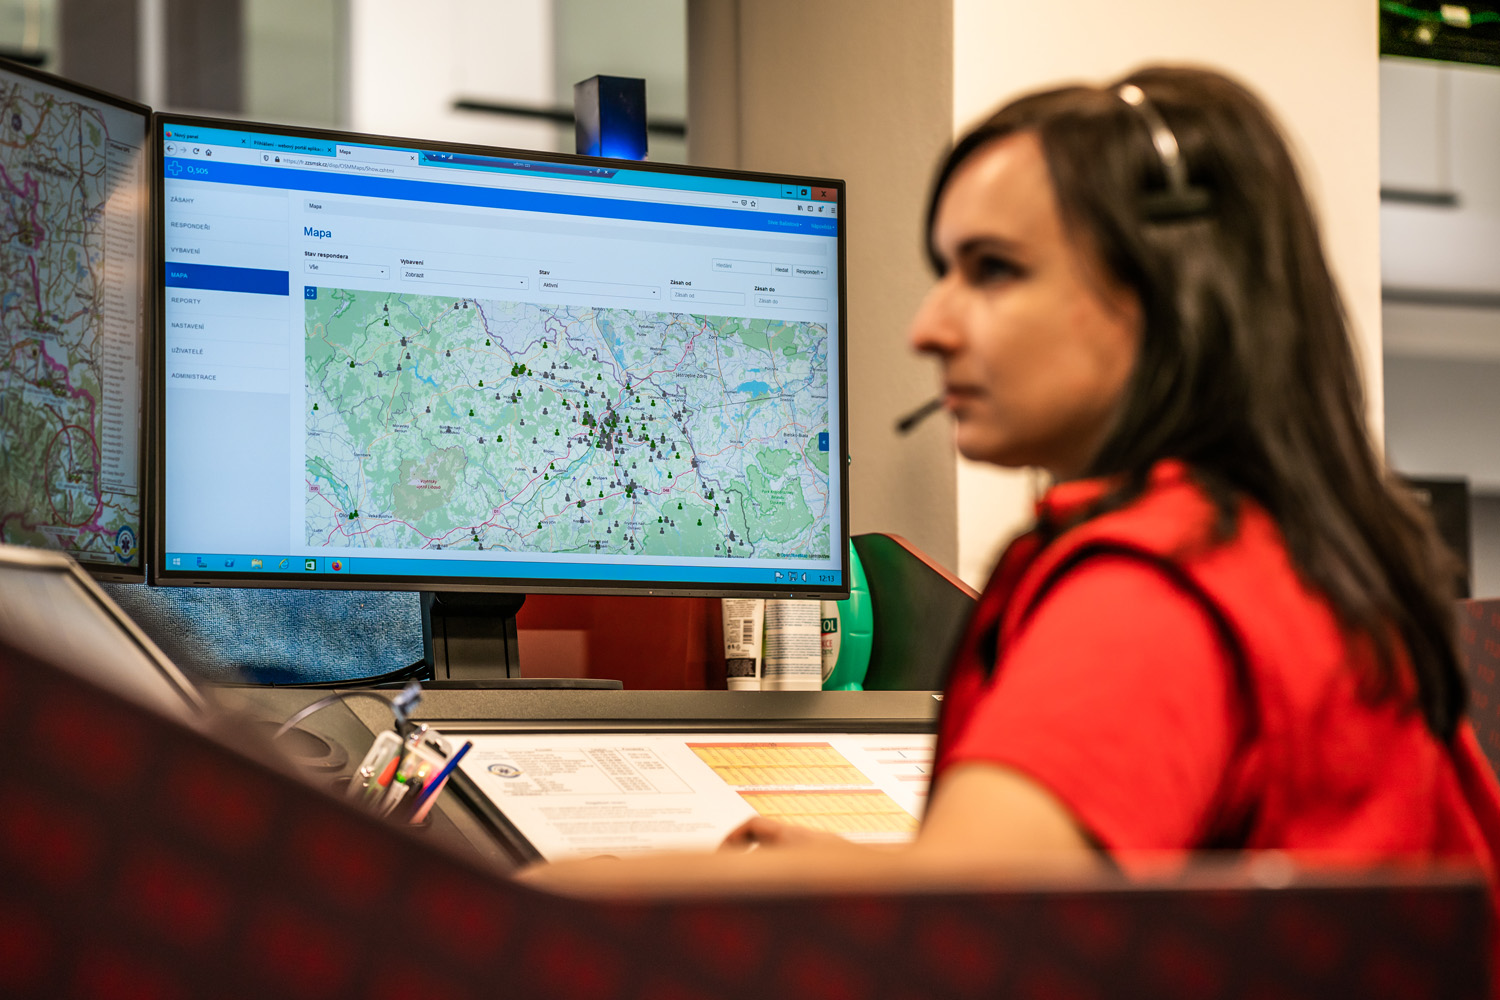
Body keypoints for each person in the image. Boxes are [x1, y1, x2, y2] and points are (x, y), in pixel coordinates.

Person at [522, 65, 1500, 896]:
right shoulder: (1278, 547)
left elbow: (971, 931)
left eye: (993, 271)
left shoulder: (1148, 590)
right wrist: (872, 873)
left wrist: (563, 897)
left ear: (1163, 295)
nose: (929, 328)